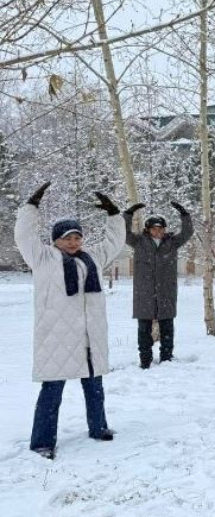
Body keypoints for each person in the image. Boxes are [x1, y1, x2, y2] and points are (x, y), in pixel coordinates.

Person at [14, 182, 125, 459]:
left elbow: (114, 242)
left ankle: (99, 428)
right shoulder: (42, 258)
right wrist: (31, 207)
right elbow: (24, 236)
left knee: (95, 387)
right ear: (55, 240)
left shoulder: (93, 258)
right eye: (67, 238)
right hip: (56, 337)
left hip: (89, 336)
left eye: (77, 237)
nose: (73, 242)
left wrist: (113, 215)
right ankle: (42, 442)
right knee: (52, 392)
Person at [123, 201, 194, 368]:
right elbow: (123, 233)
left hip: (166, 292)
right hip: (144, 293)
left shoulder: (172, 242)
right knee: (144, 330)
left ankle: (167, 359)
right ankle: (145, 360)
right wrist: (129, 213)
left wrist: (184, 215)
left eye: (161, 228)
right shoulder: (138, 242)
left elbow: (187, 232)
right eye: (154, 228)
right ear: (147, 229)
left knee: (167, 328)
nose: (158, 231)